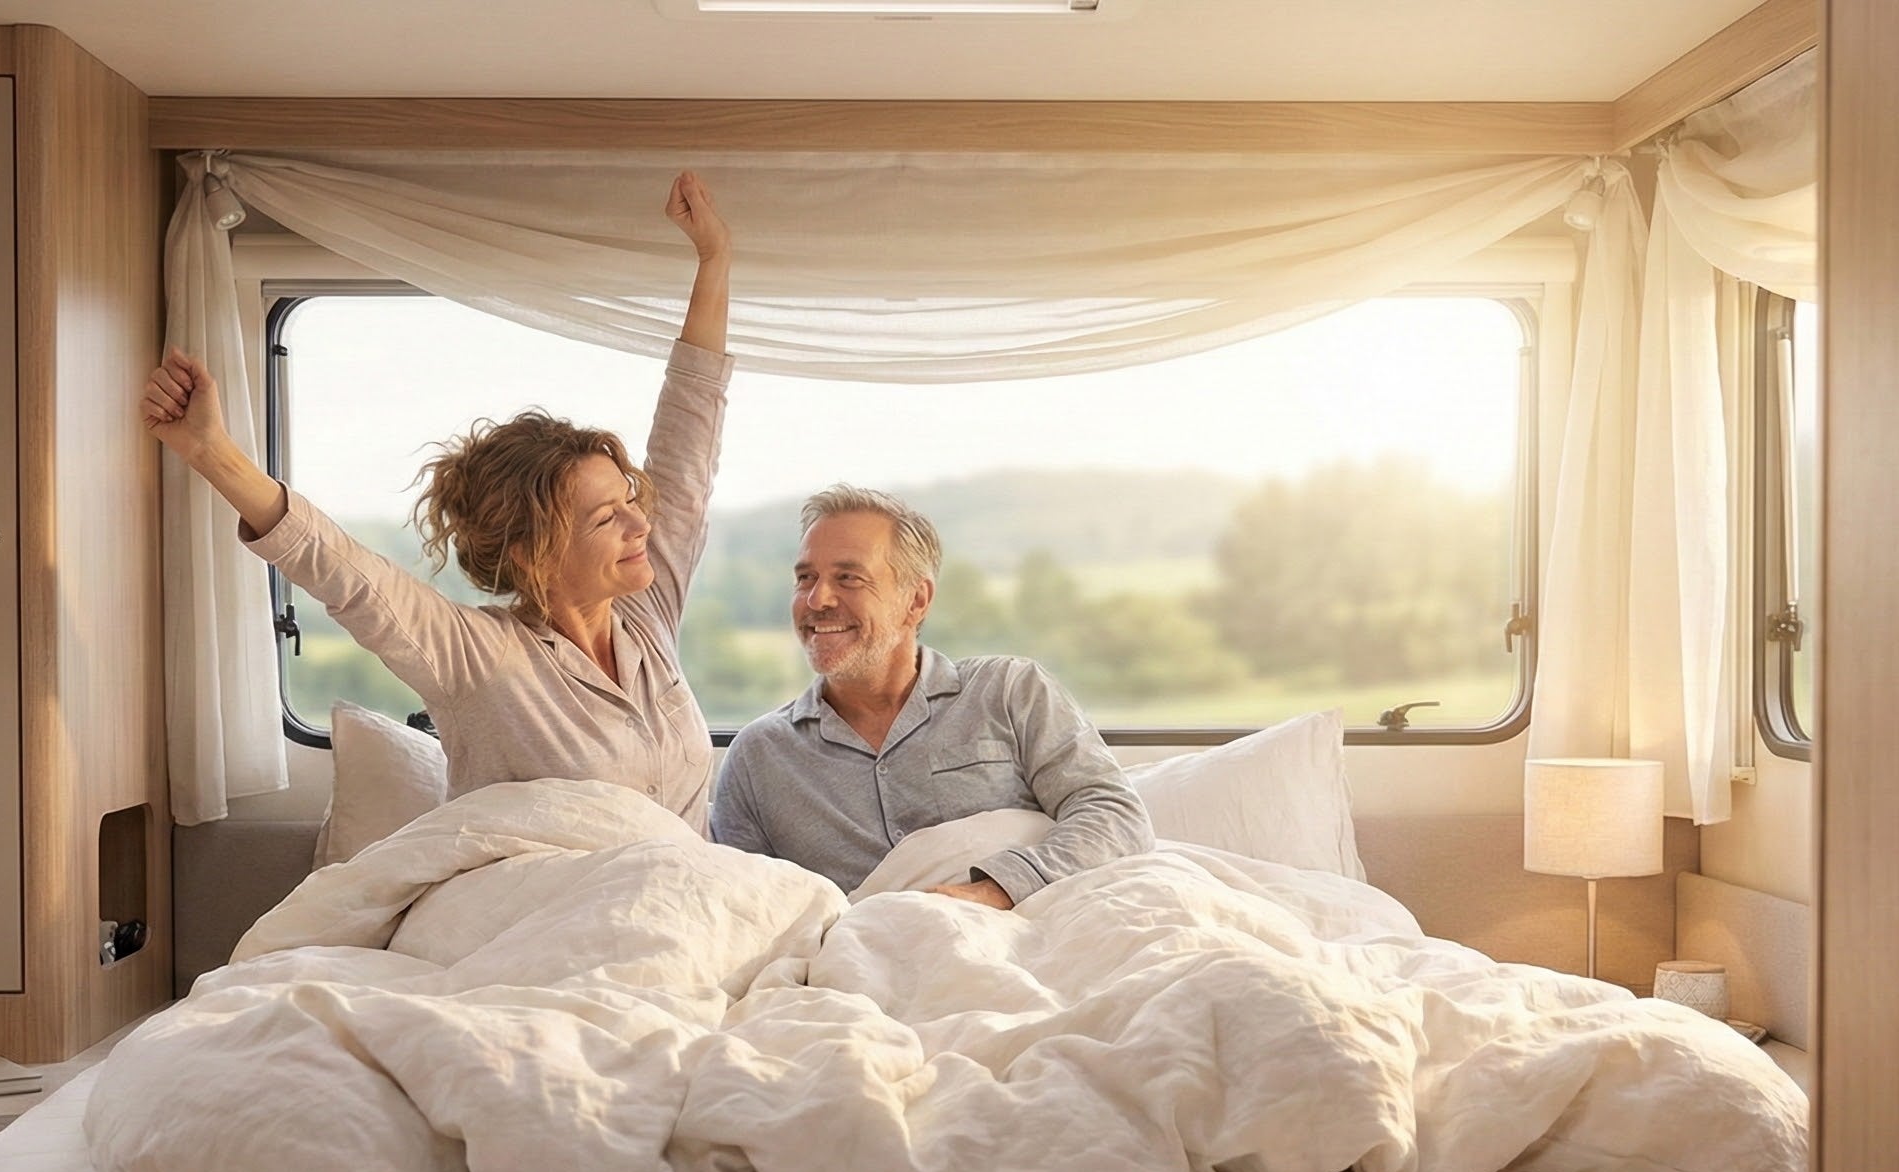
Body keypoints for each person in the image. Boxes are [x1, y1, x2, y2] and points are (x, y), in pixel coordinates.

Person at [140, 171, 732, 831]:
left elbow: (688, 445)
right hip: (557, 913)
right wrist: (209, 450)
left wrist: (714, 262)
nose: (637, 522)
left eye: (628, 500)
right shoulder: (479, 658)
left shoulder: (646, 614)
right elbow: (344, 571)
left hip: (688, 905)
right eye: (606, 516)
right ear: (533, 551)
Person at [711, 486, 1152, 906]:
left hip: (1039, 935)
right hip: (871, 962)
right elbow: (747, 909)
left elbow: (1114, 814)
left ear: (916, 600)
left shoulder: (1009, 692)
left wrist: (997, 892)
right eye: (805, 577)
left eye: (848, 578)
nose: (817, 598)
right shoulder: (758, 757)